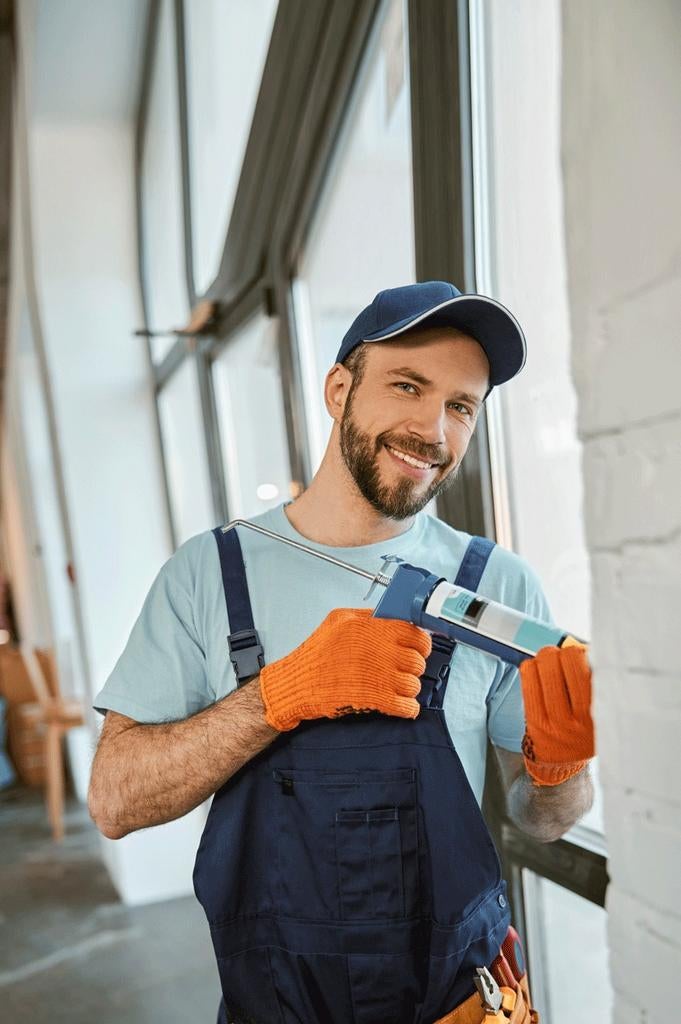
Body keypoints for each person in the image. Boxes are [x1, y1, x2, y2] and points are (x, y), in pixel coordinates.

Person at [89, 281, 595, 1024]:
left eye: (461, 406)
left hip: (464, 1005)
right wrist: (280, 694)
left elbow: (541, 818)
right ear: (337, 389)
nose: (433, 429)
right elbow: (114, 800)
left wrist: (561, 774)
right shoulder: (208, 573)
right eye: (406, 385)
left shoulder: (496, 584)